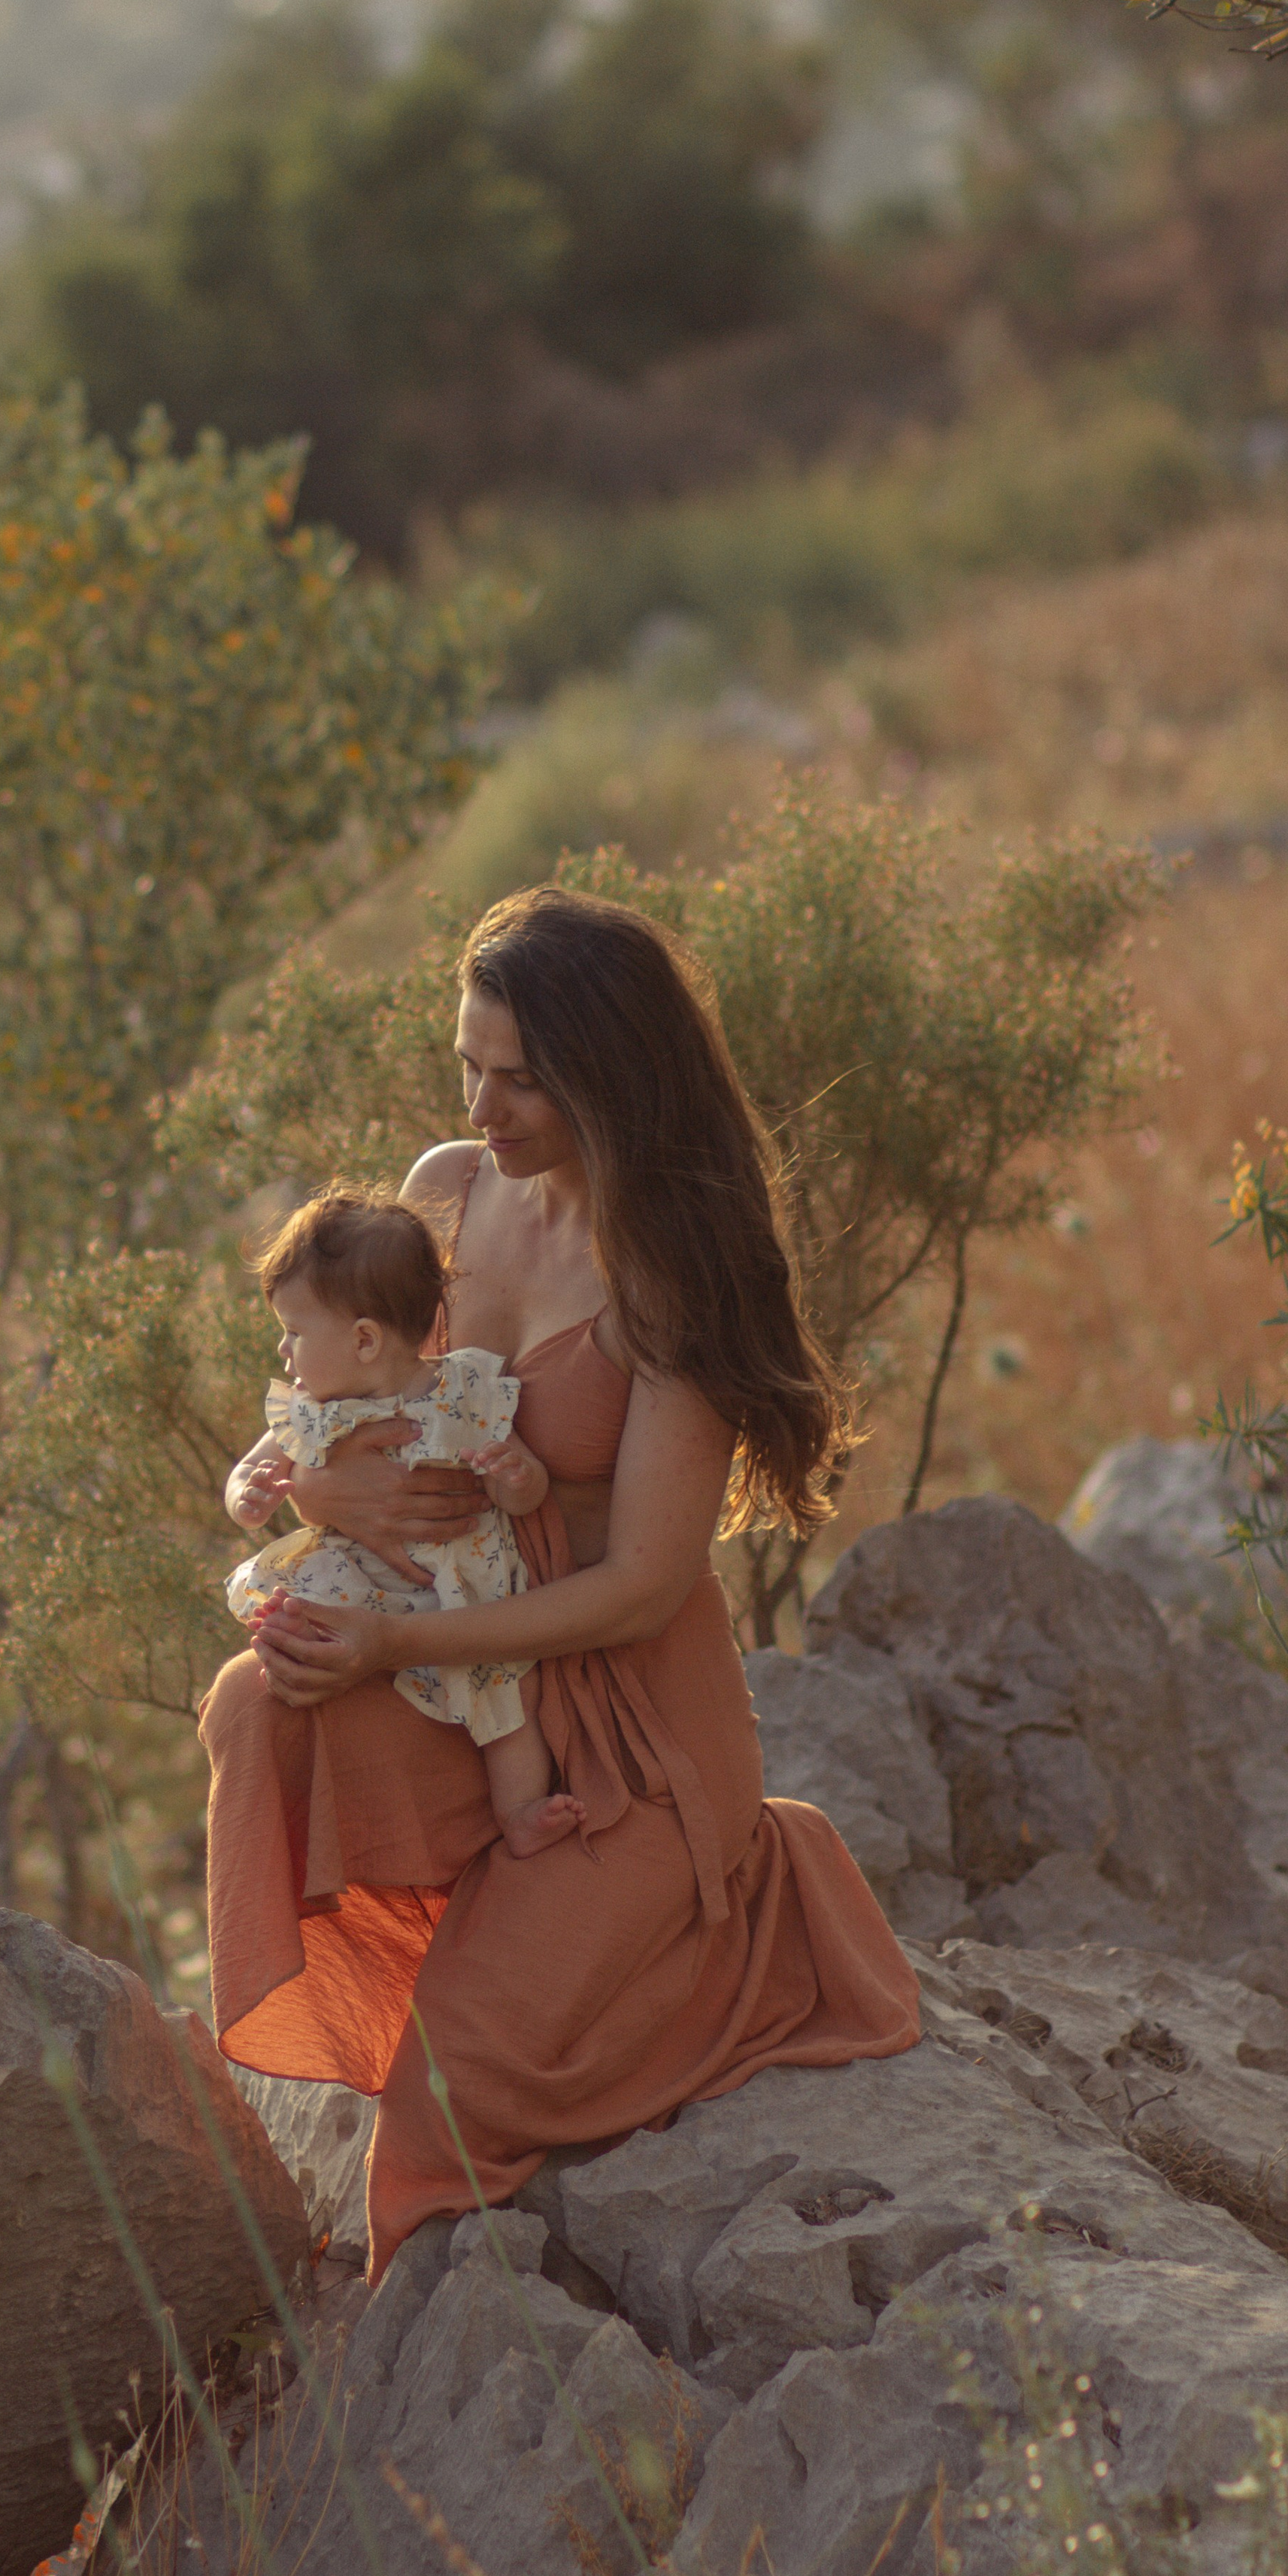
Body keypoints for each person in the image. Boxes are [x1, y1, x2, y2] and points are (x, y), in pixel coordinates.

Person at [199, 886, 920, 2280]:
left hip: (627, 1727)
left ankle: (739, 1920)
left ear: (612, 1073)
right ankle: (472, 1941)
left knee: (453, 2100)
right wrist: (320, 1495)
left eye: (523, 1077)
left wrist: (394, 1639)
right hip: (461, 1670)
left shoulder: (673, 1271)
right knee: (257, 1701)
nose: (484, 1102)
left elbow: (646, 1589)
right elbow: (354, 1390)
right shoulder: (447, 1193)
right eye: (469, 1062)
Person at [223, 1188, 587, 1859]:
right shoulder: (310, 1407)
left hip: (461, 1597)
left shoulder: (464, 1391)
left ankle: (521, 1810)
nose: (283, 1350)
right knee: (300, 1604)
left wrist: (515, 1475)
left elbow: (524, 1489)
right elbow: (250, 1469)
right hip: (361, 1583)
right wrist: (252, 1492)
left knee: (507, 1695)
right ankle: (309, 1654)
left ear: (364, 1339)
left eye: (294, 1333)